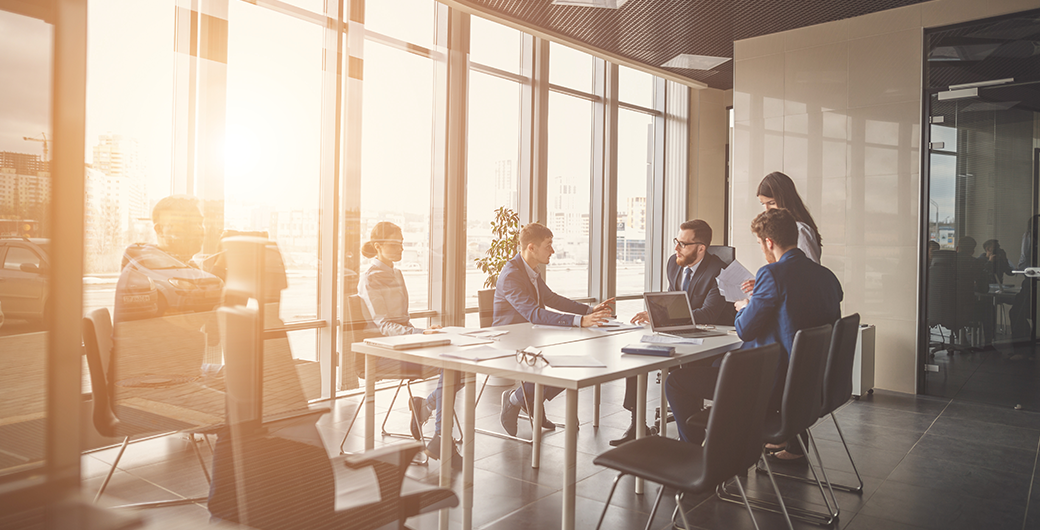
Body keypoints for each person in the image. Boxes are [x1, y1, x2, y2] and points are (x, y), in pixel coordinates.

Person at [666, 209, 841, 461]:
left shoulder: (771, 274)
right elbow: (799, 313)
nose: (762, 249)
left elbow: (745, 329)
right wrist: (760, 296)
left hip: (766, 384)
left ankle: (695, 456)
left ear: (769, 242)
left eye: (760, 244)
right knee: (716, 363)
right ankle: (723, 441)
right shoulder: (827, 276)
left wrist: (746, 306)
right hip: (808, 383)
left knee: (676, 381)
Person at [613, 219, 734, 446]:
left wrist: (664, 317)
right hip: (679, 332)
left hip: (711, 339)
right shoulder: (674, 264)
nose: (676, 248)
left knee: (682, 375)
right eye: (676, 242)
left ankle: (691, 438)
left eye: (683, 244)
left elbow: (708, 314)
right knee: (637, 353)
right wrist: (656, 313)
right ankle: (637, 423)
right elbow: (673, 300)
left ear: (700, 248)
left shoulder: (719, 271)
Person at [495, 222, 613, 437]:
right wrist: (581, 321)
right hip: (510, 341)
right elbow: (534, 313)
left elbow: (551, 299)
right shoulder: (512, 274)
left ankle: (525, 398)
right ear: (531, 247)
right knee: (559, 366)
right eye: (548, 245)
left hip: (531, 337)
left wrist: (588, 309)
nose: (553, 250)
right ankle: (515, 399)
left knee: (569, 365)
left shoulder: (530, 270)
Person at [358, 222, 461, 465]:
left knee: (460, 365)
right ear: (378, 246)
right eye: (395, 244)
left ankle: (425, 407)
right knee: (451, 367)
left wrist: (423, 332)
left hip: (405, 343)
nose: (401, 249)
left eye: (402, 243)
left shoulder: (397, 273)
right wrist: (418, 332)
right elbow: (383, 324)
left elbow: (401, 319)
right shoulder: (370, 279)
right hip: (384, 351)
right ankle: (441, 439)